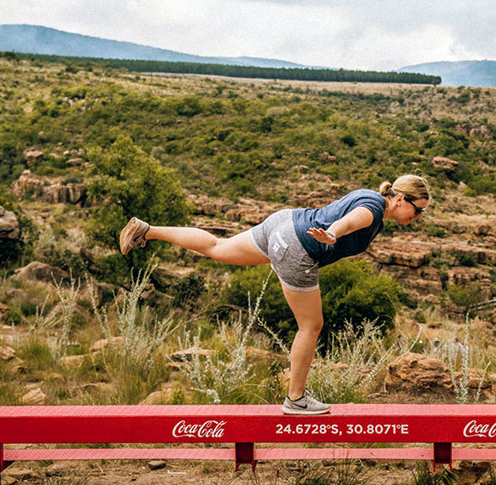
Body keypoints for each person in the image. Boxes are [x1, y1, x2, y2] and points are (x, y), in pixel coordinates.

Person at [118, 174, 431, 415]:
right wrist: (333, 234)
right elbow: (351, 221)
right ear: (399, 198)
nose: (418, 217)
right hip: (298, 247)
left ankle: (148, 230)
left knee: (217, 246)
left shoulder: (370, 196)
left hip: (285, 222)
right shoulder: (374, 209)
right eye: (418, 210)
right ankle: (296, 399)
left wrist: (332, 232)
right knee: (311, 326)